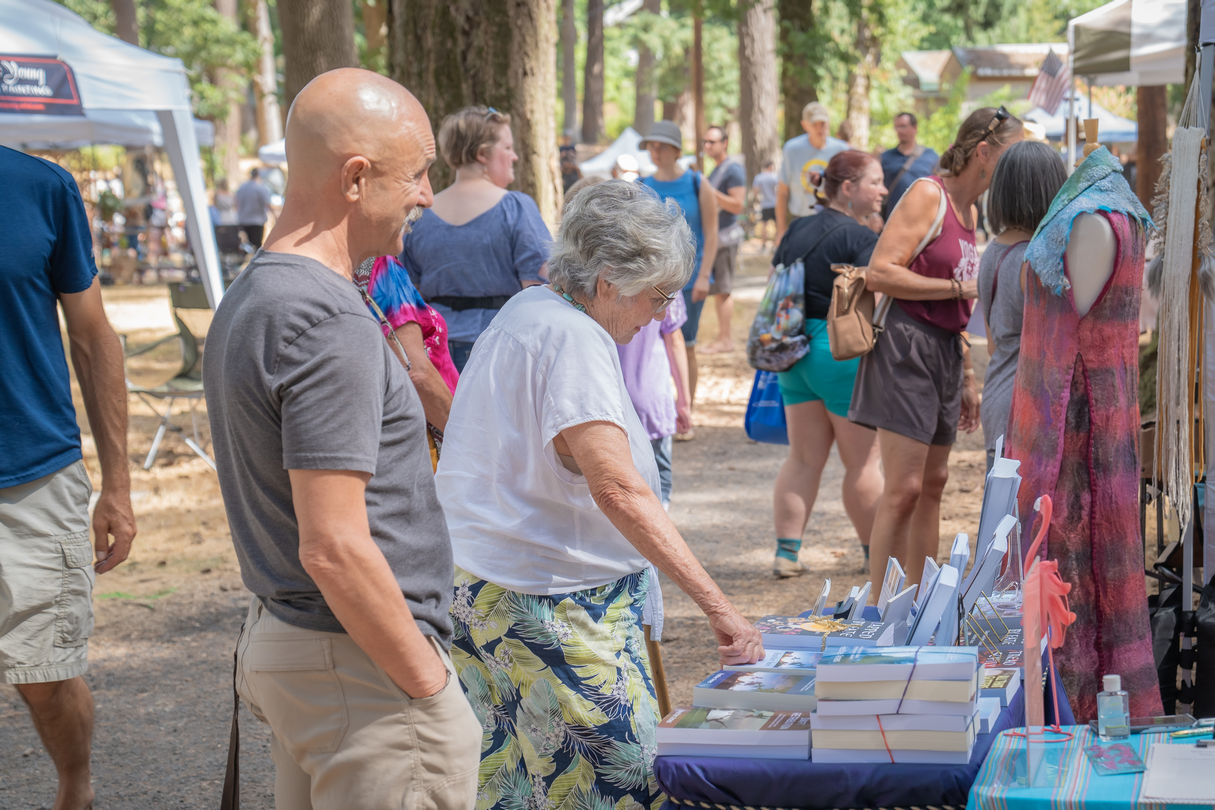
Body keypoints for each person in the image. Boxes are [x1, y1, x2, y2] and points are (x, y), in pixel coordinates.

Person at [203, 69, 481, 809]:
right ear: (355, 178)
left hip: (307, 648)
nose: (427, 194)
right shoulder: (326, 320)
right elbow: (333, 544)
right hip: (359, 668)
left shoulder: (255, 294)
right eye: (417, 174)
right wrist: (427, 690)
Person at [436, 180, 762, 809]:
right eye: (659, 296)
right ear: (609, 279)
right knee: (616, 785)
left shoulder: (529, 309)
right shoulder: (573, 337)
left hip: (490, 588)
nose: (661, 315)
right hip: (550, 605)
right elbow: (617, 488)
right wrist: (719, 607)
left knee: (514, 786)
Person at [0, 145, 137, 810]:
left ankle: (75, 791)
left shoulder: (41, 187)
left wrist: (118, 485)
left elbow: (92, 334)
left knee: (46, 676)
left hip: (34, 481)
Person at [851, 106, 1023, 594]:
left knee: (934, 482)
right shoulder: (930, 194)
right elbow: (880, 271)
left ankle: (923, 603)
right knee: (903, 489)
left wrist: (967, 373)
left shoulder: (974, 212)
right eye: (1013, 153)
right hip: (905, 347)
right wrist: (957, 288)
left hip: (946, 351)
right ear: (984, 153)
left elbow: (959, 304)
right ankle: (882, 608)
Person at [769, 152, 887, 578]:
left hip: (792, 351)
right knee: (863, 464)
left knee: (802, 459)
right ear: (849, 188)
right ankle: (877, 556)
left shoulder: (797, 227)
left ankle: (786, 553)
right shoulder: (859, 237)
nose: (883, 190)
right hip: (839, 350)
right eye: (875, 182)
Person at [401, 106, 551, 372]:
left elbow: (410, 294)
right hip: (501, 345)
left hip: (435, 348)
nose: (515, 157)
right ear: (483, 154)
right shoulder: (515, 208)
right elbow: (537, 290)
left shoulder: (419, 215)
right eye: (507, 147)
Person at [977, 141, 1066, 472]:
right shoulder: (1035, 261)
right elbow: (1053, 348)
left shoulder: (992, 253)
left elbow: (991, 344)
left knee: (1001, 519)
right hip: (1028, 406)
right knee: (1026, 520)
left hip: (999, 396)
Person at [639, 120, 718, 440]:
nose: (654, 152)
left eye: (660, 146)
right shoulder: (643, 184)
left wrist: (704, 276)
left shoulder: (698, 182)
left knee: (685, 345)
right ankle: (652, 410)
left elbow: (712, 234)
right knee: (652, 347)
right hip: (650, 282)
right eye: (651, 146)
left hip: (687, 280)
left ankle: (686, 411)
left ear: (675, 150)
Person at [355, 255, 459, 434]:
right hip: (424, 429)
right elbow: (415, 373)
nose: (410, 226)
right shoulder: (381, 266)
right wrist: (465, 439)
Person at [776, 102, 850, 244]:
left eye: (822, 123)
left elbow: (848, 188)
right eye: (814, 124)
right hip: (802, 219)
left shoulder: (841, 149)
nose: (819, 128)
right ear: (805, 125)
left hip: (834, 219)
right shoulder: (792, 149)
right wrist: (781, 230)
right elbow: (782, 191)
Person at [701, 125, 746, 355]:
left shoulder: (733, 170)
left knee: (724, 289)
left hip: (727, 238)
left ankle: (725, 339)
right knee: (719, 289)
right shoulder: (717, 169)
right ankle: (722, 337)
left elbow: (738, 204)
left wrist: (710, 191)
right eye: (705, 142)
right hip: (717, 238)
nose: (708, 146)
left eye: (712, 142)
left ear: (724, 143)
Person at [880, 112, 938, 218]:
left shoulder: (931, 157)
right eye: (896, 127)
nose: (899, 131)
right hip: (892, 218)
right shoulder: (885, 157)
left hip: (923, 218)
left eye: (903, 126)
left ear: (914, 127)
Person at [236, 167, 273, 249]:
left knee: (247, 246)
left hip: (244, 220)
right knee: (256, 246)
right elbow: (267, 203)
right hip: (256, 222)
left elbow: (236, 203)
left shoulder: (242, 187)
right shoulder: (260, 188)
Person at [752, 159, 779, 250]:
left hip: (765, 204)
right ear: (770, 166)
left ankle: (764, 245)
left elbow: (755, 191)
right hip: (775, 203)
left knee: (764, 224)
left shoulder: (758, 178)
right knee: (777, 224)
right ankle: (777, 244)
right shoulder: (775, 177)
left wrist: (759, 199)